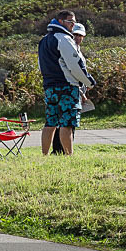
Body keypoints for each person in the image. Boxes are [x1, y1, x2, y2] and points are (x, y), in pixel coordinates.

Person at [38, 10, 96, 155]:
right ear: (61, 21)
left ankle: (44, 155)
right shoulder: (63, 38)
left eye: (74, 22)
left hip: (49, 87)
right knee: (67, 124)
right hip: (66, 87)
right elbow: (75, 65)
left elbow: (40, 65)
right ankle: (69, 156)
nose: (73, 25)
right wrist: (89, 82)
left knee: (50, 123)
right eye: (71, 22)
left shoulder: (44, 40)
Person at [51, 22, 90, 154]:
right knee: (65, 123)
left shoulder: (78, 50)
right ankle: (60, 150)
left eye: (80, 35)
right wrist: (82, 92)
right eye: (75, 35)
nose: (78, 38)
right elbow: (71, 73)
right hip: (69, 89)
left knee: (69, 124)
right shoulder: (67, 49)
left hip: (77, 91)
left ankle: (64, 149)